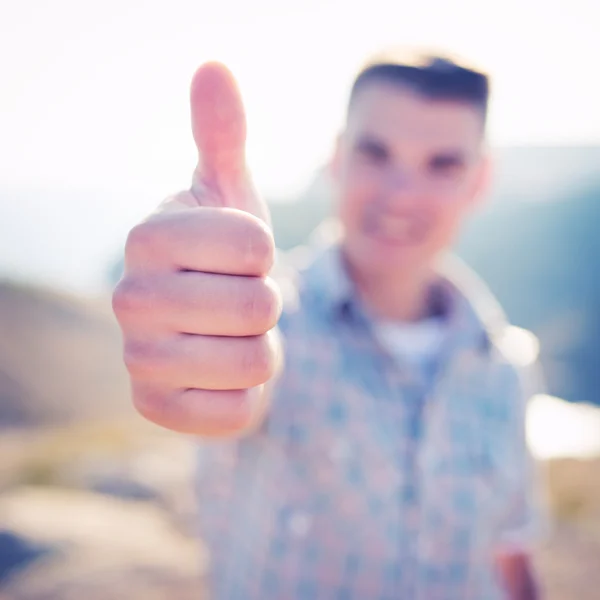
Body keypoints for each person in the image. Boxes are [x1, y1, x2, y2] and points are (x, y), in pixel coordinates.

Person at [112, 49, 545, 599]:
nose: (401, 194)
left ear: (478, 182)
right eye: (375, 152)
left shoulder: (505, 367)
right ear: (337, 159)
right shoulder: (273, 318)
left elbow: (511, 553)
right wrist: (208, 351)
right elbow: (249, 379)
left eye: (443, 164)